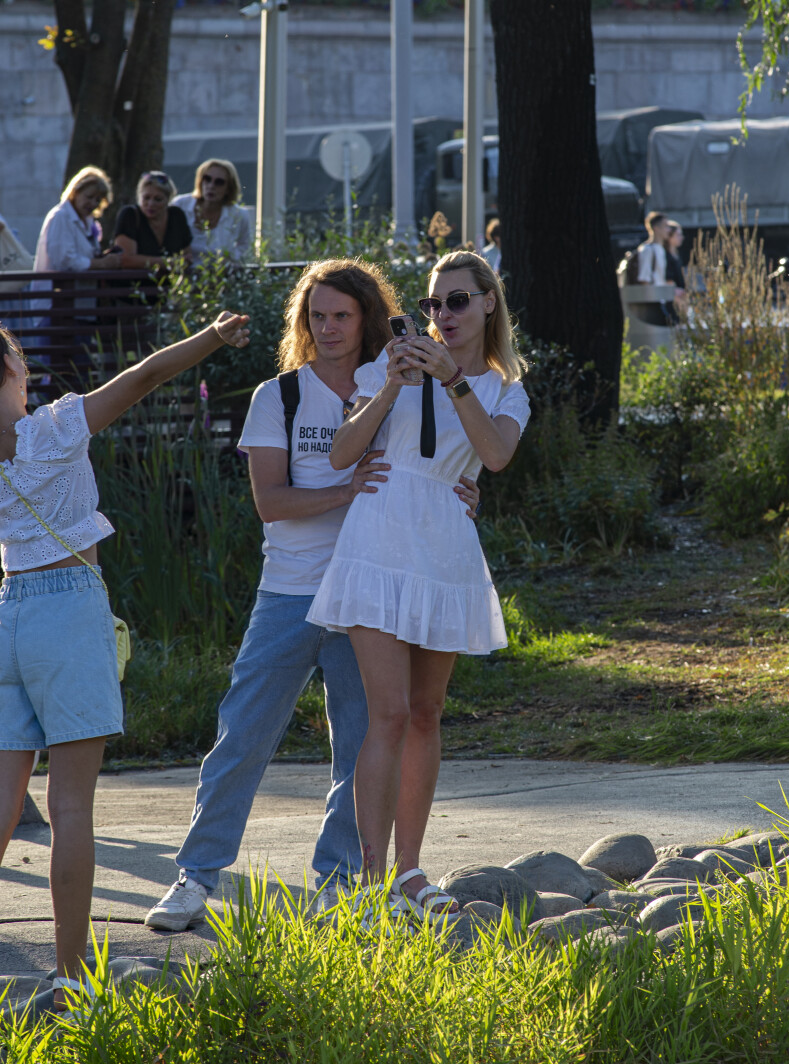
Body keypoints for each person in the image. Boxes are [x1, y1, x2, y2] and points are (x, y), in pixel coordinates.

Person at [143, 257, 483, 932]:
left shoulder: (402, 379)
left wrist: (466, 494)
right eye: (316, 316)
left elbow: (443, 457)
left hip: (372, 594)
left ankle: (339, 884)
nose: (327, 329)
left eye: (341, 316)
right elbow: (271, 503)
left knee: (360, 749)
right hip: (291, 593)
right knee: (242, 736)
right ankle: (196, 877)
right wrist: (345, 490)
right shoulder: (281, 396)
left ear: (367, 318)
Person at [0, 310, 250, 1008]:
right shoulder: (53, 426)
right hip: (69, 605)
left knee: (3, 798)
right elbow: (144, 376)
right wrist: (212, 336)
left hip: (9, 608)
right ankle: (70, 973)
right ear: (14, 371)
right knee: (71, 803)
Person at [307, 250, 529, 922]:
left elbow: (494, 456)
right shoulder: (387, 367)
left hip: (444, 546)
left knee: (427, 713)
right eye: (433, 305)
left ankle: (410, 870)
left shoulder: (504, 388)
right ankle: (371, 883)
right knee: (390, 714)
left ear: (489, 301)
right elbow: (341, 454)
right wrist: (392, 388)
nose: (443, 317)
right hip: (378, 540)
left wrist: (453, 381)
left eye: (457, 301)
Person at [172, 159, 252, 271]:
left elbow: (245, 246)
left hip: (219, 277)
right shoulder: (180, 205)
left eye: (219, 182)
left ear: (229, 188)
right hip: (181, 274)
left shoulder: (239, 215)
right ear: (200, 181)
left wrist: (231, 259)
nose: (211, 186)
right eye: (207, 179)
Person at [33, 168, 116, 275]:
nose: (93, 204)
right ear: (75, 192)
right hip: (58, 288)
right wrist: (100, 264)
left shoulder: (88, 221)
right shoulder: (61, 216)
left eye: (97, 200)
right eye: (89, 197)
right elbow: (64, 261)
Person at [112, 171, 192, 269]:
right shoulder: (130, 215)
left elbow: (187, 256)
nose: (151, 204)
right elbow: (125, 259)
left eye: (158, 199)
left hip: (169, 282)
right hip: (133, 282)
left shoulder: (176, 215)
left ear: (168, 200)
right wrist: (169, 263)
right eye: (146, 198)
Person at [636, 211, 671, 285]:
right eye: (666, 226)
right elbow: (644, 280)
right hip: (653, 296)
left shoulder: (661, 249)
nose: (669, 230)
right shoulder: (647, 249)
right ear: (656, 228)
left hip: (661, 295)